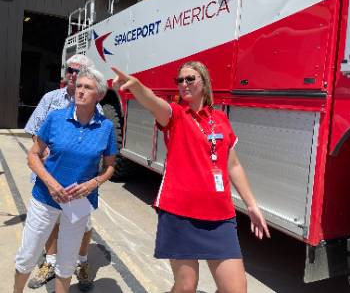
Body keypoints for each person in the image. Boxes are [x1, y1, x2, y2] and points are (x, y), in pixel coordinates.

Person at [111, 61, 270, 293]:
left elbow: (233, 165)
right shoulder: (176, 115)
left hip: (220, 216)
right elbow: (154, 104)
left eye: (190, 79)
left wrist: (252, 205)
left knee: (235, 289)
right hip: (180, 214)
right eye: (180, 80)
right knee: (186, 286)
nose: (183, 84)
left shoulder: (221, 119)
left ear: (204, 83)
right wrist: (136, 87)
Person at [13, 67, 117, 293]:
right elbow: (33, 155)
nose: (80, 91)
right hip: (44, 199)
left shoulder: (106, 127)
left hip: (78, 204)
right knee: (28, 255)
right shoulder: (56, 118)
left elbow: (110, 167)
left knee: (67, 261)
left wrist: (93, 183)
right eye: (78, 86)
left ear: (99, 95)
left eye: (87, 87)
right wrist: (52, 184)